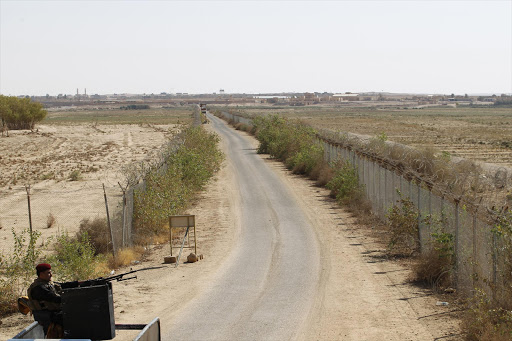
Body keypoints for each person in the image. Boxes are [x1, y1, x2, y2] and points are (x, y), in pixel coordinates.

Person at [27, 263, 64, 337]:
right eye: (48, 273)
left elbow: (63, 285)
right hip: (46, 316)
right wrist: (71, 298)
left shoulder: (46, 283)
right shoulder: (38, 288)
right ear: (41, 274)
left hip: (52, 314)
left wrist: (79, 283)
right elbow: (54, 298)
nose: (51, 275)